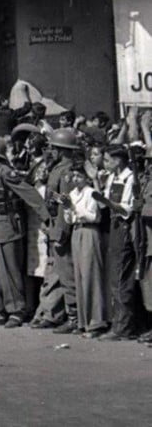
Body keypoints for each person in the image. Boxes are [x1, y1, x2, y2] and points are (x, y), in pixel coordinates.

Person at [0, 135, 45, 328]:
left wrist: (46, 214)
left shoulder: (5, 172)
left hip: (6, 225)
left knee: (9, 270)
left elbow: (28, 192)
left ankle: (16, 310)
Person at [33, 128, 83, 332]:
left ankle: (74, 317)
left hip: (62, 227)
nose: (50, 151)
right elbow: (53, 198)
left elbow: (65, 203)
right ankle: (54, 313)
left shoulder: (67, 171)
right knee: (54, 272)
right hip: (53, 225)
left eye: (53, 148)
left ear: (62, 150)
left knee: (67, 274)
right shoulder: (56, 169)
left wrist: (60, 231)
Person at [94, 145, 139, 340]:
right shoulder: (113, 177)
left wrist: (109, 204)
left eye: (108, 160)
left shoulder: (130, 178)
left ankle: (123, 328)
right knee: (114, 276)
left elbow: (127, 210)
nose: (106, 163)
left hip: (123, 227)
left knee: (121, 277)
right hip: (113, 225)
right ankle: (119, 322)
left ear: (118, 160)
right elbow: (101, 200)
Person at [62, 157, 109, 338]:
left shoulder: (91, 192)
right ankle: (84, 321)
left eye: (79, 175)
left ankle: (96, 323)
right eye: (73, 175)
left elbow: (93, 215)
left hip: (90, 232)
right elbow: (70, 219)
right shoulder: (73, 193)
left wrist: (73, 208)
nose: (76, 179)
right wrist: (68, 209)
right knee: (80, 277)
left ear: (87, 177)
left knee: (91, 276)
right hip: (77, 232)